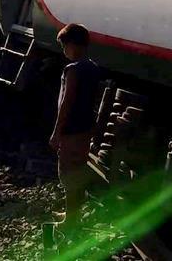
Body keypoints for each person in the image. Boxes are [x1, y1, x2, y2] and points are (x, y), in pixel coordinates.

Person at [49, 23, 101, 232]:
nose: (64, 50)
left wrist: (56, 132)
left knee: (68, 174)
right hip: (85, 128)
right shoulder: (93, 67)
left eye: (64, 46)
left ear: (72, 45)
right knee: (78, 171)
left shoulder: (72, 70)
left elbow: (66, 103)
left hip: (71, 130)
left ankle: (69, 222)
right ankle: (73, 215)